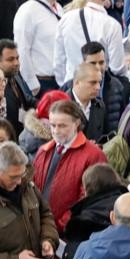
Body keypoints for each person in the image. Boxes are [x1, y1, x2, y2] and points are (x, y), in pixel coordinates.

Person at [33, 99, 108, 232]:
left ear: (76, 123)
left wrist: (61, 226)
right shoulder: (43, 151)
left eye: (62, 126)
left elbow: (88, 200)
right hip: (41, 228)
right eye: (52, 125)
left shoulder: (93, 155)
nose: (56, 131)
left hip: (69, 232)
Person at [53, 0, 125, 85]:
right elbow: (117, 68)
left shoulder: (66, 18)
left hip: (72, 83)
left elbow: (59, 59)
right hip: (98, 87)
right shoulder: (113, 25)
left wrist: (64, 84)